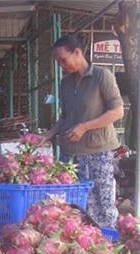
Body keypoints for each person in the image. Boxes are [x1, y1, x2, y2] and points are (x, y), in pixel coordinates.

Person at [40, 35, 124, 228]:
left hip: (98, 152)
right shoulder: (65, 83)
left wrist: (85, 126)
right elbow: (65, 117)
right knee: (71, 206)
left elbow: (118, 111)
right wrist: (46, 136)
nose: (61, 64)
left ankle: (106, 245)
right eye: (58, 61)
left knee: (102, 204)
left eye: (63, 59)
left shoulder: (102, 76)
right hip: (70, 156)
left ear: (77, 52)